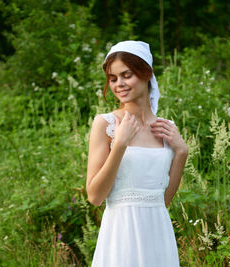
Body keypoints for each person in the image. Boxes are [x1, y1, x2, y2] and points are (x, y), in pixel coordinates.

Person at [86, 40, 188, 267]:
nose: (119, 84)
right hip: (121, 236)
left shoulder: (166, 127)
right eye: (113, 79)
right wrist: (120, 144)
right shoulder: (106, 124)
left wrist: (181, 152)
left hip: (158, 236)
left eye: (127, 75)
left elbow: (163, 200)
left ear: (146, 74)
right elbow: (94, 196)